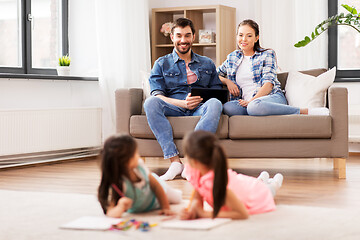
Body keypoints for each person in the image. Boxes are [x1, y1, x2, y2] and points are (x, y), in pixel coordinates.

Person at [143, 18, 223, 181]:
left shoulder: (207, 63)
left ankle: (192, 163)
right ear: (172, 37)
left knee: (215, 103)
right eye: (179, 35)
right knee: (150, 103)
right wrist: (182, 103)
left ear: (193, 37)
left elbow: (217, 92)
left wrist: (201, 99)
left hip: (200, 107)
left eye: (187, 35)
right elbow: (157, 94)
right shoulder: (161, 63)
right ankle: (175, 162)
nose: (183, 40)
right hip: (174, 105)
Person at [217, 19, 329, 116]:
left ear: (256, 38)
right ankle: (259, 111)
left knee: (254, 107)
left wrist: (252, 101)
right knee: (227, 107)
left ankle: (303, 111)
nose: (244, 39)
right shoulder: (232, 57)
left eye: (249, 35)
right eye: (240, 35)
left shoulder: (267, 54)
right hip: (245, 103)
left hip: (271, 97)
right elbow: (216, 74)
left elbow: (269, 84)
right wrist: (227, 81)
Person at [180, 130, 283, 220]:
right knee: (257, 183)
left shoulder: (220, 185)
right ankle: (262, 179)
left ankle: (276, 183)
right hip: (243, 186)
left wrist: (204, 214)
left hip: (257, 194)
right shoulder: (198, 172)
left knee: (269, 190)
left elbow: (242, 214)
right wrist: (193, 207)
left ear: (195, 162)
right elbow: (198, 192)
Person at [97, 134, 182, 218]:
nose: (138, 156)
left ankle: (176, 192)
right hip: (142, 205)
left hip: (156, 196)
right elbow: (110, 213)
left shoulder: (139, 167)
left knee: (177, 198)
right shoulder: (117, 183)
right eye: (135, 154)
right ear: (126, 162)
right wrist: (121, 206)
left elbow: (156, 186)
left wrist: (165, 208)